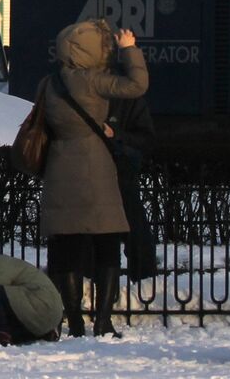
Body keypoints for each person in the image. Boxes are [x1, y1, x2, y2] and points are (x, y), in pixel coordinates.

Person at [37, 18, 147, 337]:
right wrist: (130, 50)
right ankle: (103, 320)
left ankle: (73, 321)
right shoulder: (97, 81)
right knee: (107, 243)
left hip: (59, 168)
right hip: (96, 167)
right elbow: (137, 85)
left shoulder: (49, 83)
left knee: (68, 247)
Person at [100, 49, 157, 335]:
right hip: (111, 173)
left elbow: (145, 138)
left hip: (117, 173)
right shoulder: (121, 93)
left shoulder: (124, 97)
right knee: (110, 238)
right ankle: (135, 288)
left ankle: (140, 285)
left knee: (131, 234)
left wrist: (116, 137)